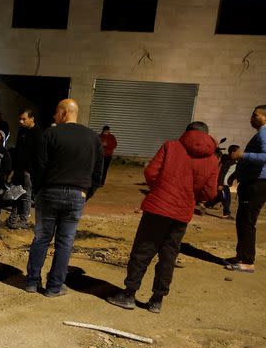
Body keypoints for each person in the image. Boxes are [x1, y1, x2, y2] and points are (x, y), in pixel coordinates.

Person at [107, 122, 218, 312]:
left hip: (157, 208)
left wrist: (159, 189)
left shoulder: (171, 146)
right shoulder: (212, 159)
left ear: (187, 132)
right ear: (207, 136)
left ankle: (129, 294)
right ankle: (156, 300)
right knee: (169, 255)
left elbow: (151, 172)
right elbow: (209, 192)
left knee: (143, 251)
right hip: (182, 213)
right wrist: (192, 196)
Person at [25, 99, 103, 297]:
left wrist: (39, 191)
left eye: (56, 112)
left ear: (64, 112)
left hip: (50, 192)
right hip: (77, 195)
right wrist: (87, 193)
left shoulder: (50, 134)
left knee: (42, 238)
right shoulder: (93, 138)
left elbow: (38, 166)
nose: (53, 116)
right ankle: (54, 287)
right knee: (65, 242)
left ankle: (32, 282)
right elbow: (98, 172)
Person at [226, 105, 266, 273]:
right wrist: (237, 173)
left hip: (257, 184)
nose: (251, 118)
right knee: (242, 220)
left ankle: (247, 262)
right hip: (252, 182)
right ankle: (241, 256)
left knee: (247, 221)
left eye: (255, 115)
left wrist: (242, 155)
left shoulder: (264, 132)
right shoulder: (261, 133)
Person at [7, 109, 43, 229]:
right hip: (19, 169)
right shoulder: (21, 131)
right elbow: (18, 151)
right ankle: (13, 217)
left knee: (26, 195)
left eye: (24, 119)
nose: (21, 121)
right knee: (16, 193)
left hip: (28, 171)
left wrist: (31, 170)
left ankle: (24, 219)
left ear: (31, 119)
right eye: (20, 119)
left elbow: (38, 154)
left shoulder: (37, 133)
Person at [203, 144, 240, 219]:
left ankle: (204, 206)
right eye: (238, 151)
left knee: (219, 198)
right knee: (227, 198)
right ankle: (226, 214)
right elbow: (222, 172)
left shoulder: (235, 161)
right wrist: (220, 184)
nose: (240, 152)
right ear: (233, 152)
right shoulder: (228, 161)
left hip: (225, 183)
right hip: (223, 183)